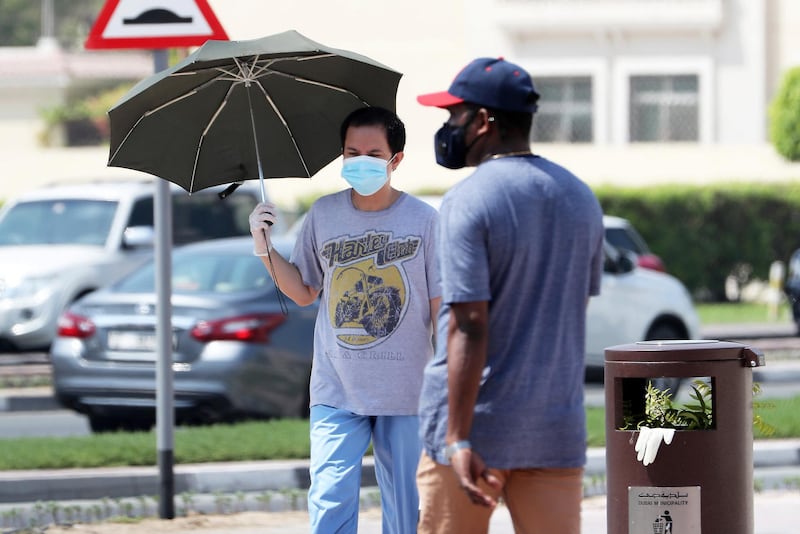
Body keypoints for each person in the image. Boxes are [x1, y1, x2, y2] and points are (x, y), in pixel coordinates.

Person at [414, 57, 605, 533]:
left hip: (474, 433)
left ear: (482, 122)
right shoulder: (580, 198)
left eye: (454, 116)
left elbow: (469, 323)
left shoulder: (469, 199)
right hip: (553, 429)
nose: (447, 127)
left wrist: (457, 438)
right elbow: (572, 309)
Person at [248, 106, 440, 534]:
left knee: (406, 510)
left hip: (407, 392)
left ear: (396, 159)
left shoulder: (425, 221)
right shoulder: (323, 214)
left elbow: (442, 305)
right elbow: (303, 291)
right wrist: (264, 248)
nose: (360, 161)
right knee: (329, 498)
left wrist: (447, 378)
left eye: (373, 153)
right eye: (351, 152)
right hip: (337, 388)